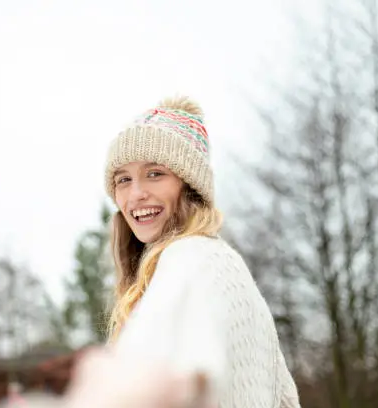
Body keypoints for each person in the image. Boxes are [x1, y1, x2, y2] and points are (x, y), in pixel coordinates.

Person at [99, 95, 301, 408]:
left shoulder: (190, 258)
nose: (136, 194)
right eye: (123, 179)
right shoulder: (216, 264)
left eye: (155, 173)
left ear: (190, 184)